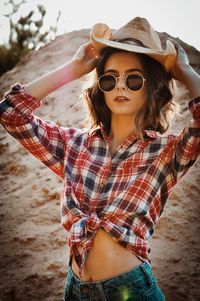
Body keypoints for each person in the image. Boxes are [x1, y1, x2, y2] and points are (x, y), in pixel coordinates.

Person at [0, 17, 199, 301]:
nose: (121, 87)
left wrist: (185, 71)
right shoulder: (75, 144)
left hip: (132, 291)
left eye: (133, 79)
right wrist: (73, 69)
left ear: (152, 86)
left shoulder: (166, 152)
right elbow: (10, 114)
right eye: (110, 78)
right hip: (76, 290)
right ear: (100, 87)